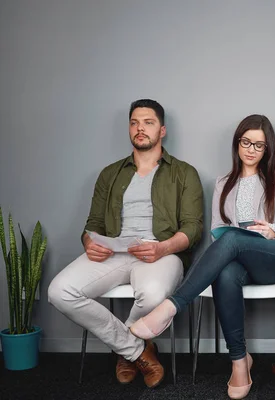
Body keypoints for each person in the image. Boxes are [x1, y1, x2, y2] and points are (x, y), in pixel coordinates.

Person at [130, 114, 275, 399]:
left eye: (259, 145)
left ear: (267, 149)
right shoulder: (223, 182)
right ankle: (239, 361)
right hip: (238, 260)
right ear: (237, 143)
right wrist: (231, 237)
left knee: (234, 237)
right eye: (246, 142)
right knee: (225, 269)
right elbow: (215, 231)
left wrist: (274, 230)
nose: (251, 149)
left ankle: (171, 306)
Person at [48, 99, 204, 388]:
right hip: (113, 251)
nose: (140, 128)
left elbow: (193, 228)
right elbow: (93, 223)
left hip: (160, 253)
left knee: (155, 294)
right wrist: (88, 241)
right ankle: (135, 350)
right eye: (134, 122)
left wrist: (163, 248)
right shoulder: (110, 174)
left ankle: (125, 351)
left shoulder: (184, 173)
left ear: (163, 130)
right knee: (59, 291)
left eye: (148, 122)